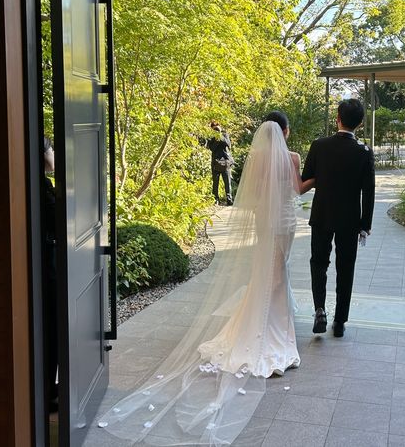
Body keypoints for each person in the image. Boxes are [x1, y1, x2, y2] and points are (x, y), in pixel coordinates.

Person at [99, 111, 314, 446]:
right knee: (278, 272)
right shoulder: (294, 157)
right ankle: (273, 329)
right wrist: (318, 179)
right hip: (285, 221)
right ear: (285, 132)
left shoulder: (257, 159)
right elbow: (298, 190)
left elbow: (254, 196)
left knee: (268, 272)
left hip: (264, 221)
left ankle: (267, 319)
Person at [302, 98, 375, 338]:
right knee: (346, 268)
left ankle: (319, 310)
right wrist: (365, 225)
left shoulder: (319, 146)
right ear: (360, 123)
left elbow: (307, 178)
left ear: (338, 119)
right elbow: (369, 191)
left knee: (318, 263)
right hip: (349, 219)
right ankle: (340, 321)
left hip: (322, 214)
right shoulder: (364, 152)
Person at [43, 137, 58, 412]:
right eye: (51, 148)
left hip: (46, 265)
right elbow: (57, 221)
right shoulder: (42, 185)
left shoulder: (43, 183)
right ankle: (47, 393)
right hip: (46, 268)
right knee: (52, 329)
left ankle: (49, 389)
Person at [206, 122, 234, 205]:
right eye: (214, 128)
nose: (216, 130)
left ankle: (229, 199)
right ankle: (216, 199)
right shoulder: (211, 137)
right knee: (215, 182)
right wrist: (216, 138)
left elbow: (228, 144)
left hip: (225, 161)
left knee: (227, 181)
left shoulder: (225, 134)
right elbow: (212, 148)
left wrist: (220, 135)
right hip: (215, 162)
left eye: (217, 128)